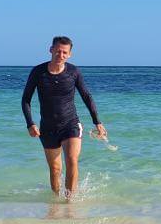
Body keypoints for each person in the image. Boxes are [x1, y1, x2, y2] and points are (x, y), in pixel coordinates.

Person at [22, 36, 106, 199]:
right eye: (58, 51)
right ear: (51, 50)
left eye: (64, 52)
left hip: (71, 124)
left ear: (69, 55)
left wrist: (97, 122)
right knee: (55, 169)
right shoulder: (38, 72)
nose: (60, 54)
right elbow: (26, 99)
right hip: (47, 127)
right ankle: (55, 202)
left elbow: (86, 96)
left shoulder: (73, 72)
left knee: (72, 160)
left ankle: (69, 201)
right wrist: (30, 123)